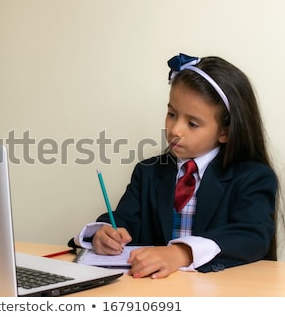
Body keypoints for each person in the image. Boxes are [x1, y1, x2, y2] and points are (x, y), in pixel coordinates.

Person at [72, 53, 278, 279]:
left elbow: (252, 236)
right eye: (171, 114)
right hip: (157, 294)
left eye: (192, 123)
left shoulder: (253, 177)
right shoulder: (148, 172)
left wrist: (181, 253)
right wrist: (103, 234)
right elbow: (124, 221)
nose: (175, 130)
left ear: (224, 132)